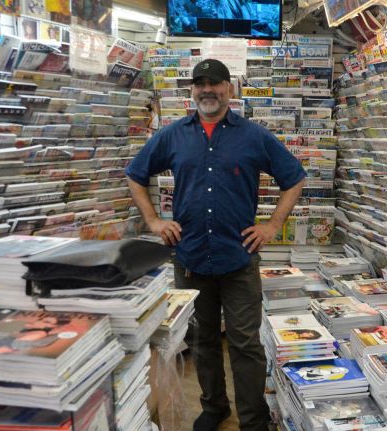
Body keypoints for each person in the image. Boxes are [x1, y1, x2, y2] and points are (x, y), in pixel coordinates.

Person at [126, 59, 306, 431]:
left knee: (245, 344)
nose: (208, 90)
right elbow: (135, 174)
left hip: (238, 258)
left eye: (216, 83)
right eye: (201, 84)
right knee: (202, 340)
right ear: (192, 90)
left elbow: (295, 178)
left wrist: (273, 224)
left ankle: (253, 420)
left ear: (230, 88)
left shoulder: (253, 136)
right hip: (190, 258)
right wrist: (153, 221)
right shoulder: (174, 135)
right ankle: (214, 408)